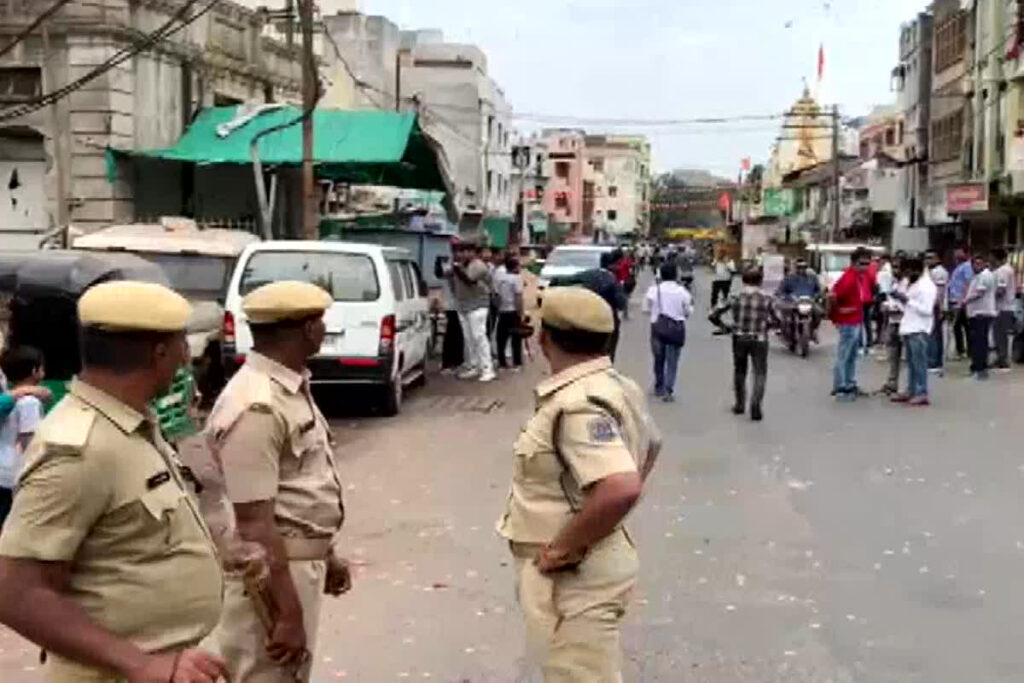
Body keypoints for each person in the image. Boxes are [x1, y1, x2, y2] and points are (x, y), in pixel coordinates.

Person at [0, 281, 227, 682]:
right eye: (181, 346)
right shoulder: (78, 448)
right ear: (160, 353)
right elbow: (16, 592)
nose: (185, 358)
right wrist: (142, 664)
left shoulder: (130, 423)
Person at [496, 285, 661, 683]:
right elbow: (651, 446)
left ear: (544, 339)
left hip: (575, 579)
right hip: (590, 563)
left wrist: (563, 547)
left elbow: (621, 486)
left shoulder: (578, 403)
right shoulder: (617, 385)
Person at [204, 281, 350, 682]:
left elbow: (298, 487)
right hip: (272, 577)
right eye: (320, 322)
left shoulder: (288, 388)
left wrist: (327, 553)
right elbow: (254, 524)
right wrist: (286, 612)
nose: (325, 329)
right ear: (306, 330)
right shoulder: (256, 405)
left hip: (298, 565)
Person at [709, 267, 778, 421]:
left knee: (740, 371)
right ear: (760, 281)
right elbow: (777, 319)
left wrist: (725, 327)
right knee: (760, 372)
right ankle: (755, 405)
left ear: (743, 280)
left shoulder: (735, 297)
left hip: (739, 338)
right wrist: (768, 327)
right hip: (759, 338)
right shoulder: (767, 298)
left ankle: (740, 404)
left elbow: (713, 314)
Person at [0, 346, 45, 528]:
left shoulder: (8, 398)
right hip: (14, 473)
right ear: (35, 371)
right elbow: (29, 440)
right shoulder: (30, 402)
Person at [643, 262, 693, 402]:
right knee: (672, 360)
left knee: (658, 359)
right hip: (676, 328)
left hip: (657, 327)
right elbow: (688, 311)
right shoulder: (682, 291)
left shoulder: (654, 290)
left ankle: (659, 385)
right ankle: (669, 389)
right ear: (675, 274)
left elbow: (645, 309)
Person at [562, 253, 626, 362]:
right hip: (608, 320)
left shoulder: (588, 275)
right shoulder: (613, 280)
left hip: (587, 318)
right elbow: (621, 303)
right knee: (608, 353)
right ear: (613, 264)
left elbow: (563, 281)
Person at [890, 256, 936, 406]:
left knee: (919, 362)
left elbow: (927, 310)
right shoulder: (911, 283)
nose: (907, 275)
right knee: (911, 362)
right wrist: (898, 301)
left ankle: (922, 391)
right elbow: (907, 307)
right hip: (908, 326)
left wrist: (907, 300)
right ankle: (911, 389)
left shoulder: (927, 287)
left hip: (919, 328)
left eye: (909, 272)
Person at [447, 243, 495, 383]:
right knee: (469, 338)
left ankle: (488, 368)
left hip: (478, 305)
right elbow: (444, 275)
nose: (462, 254)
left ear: (473, 252)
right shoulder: (457, 265)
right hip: (463, 306)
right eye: (459, 252)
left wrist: (457, 268)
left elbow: (469, 279)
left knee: (479, 336)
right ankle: (474, 365)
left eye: (465, 251)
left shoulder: (478, 265)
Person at [830, 248, 871, 400]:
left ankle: (850, 383)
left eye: (867, 264)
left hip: (857, 318)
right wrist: (840, 311)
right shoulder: (848, 278)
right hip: (848, 321)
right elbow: (834, 296)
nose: (865, 267)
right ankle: (841, 387)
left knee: (853, 355)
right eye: (862, 263)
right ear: (854, 263)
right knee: (844, 355)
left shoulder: (861, 277)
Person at [964, 253, 997, 380]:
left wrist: (965, 300)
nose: (977, 266)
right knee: (977, 342)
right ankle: (977, 367)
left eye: (979, 263)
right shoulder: (977, 276)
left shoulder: (986, 276)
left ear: (984, 263)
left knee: (979, 342)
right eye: (975, 264)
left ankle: (980, 369)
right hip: (975, 312)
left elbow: (979, 292)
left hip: (982, 313)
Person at [878, 263, 907, 396]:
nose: (895, 270)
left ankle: (907, 386)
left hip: (905, 323)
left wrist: (897, 306)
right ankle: (892, 382)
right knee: (893, 356)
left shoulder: (907, 284)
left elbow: (909, 303)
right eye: (894, 267)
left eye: (898, 267)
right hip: (893, 321)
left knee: (906, 357)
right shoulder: (893, 283)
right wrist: (887, 306)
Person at [777, 258, 822, 341]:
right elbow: (781, 291)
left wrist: (815, 297)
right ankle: (784, 331)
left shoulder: (812, 278)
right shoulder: (788, 278)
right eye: (799, 267)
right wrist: (788, 297)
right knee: (785, 314)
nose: (802, 269)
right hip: (793, 303)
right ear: (796, 268)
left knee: (819, 312)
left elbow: (818, 290)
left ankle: (814, 331)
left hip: (809, 302)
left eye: (804, 267)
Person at [435, 251, 465, 373]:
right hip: (452, 306)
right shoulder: (451, 266)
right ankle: (448, 363)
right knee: (452, 334)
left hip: (461, 306)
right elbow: (439, 273)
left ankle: (457, 361)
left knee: (459, 335)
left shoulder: (463, 266)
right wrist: (438, 261)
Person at [495, 256, 525, 371]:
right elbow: (518, 297)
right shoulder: (517, 279)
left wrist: (498, 308)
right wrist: (520, 312)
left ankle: (502, 363)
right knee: (516, 338)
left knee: (501, 338)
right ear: (515, 267)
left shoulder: (500, 278)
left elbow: (496, 295)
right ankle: (517, 363)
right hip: (513, 311)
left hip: (503, 311)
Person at [992, 248, 1017, 372]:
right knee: (999, 334)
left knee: (1000, 334)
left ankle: (1003, 359)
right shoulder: (1008, 269)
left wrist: (989, 296)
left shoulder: (1003, 271)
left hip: (1003, 307)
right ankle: (1001, 357)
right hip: (1005, 306)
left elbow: (1001, 289)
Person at [948, 247, 974, 358]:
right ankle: (961, 349)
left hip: (961, 301)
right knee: (958, 326)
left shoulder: (967, 266)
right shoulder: (958, 267)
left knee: (964, 326)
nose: (956, 254)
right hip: (955, 299)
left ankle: (967, 350)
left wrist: (964, 300)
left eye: (959, 252)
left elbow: (968, 283)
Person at [927, 251, 949, 373]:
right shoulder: (931, 271)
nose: (928, 260)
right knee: (934, 335)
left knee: (934, 335)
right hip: (932, 306)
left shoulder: (939, 272)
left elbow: (939, 292)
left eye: (930, 258)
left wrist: (938, 308)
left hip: (936, 307)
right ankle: (934, 360)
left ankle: (934, 361)